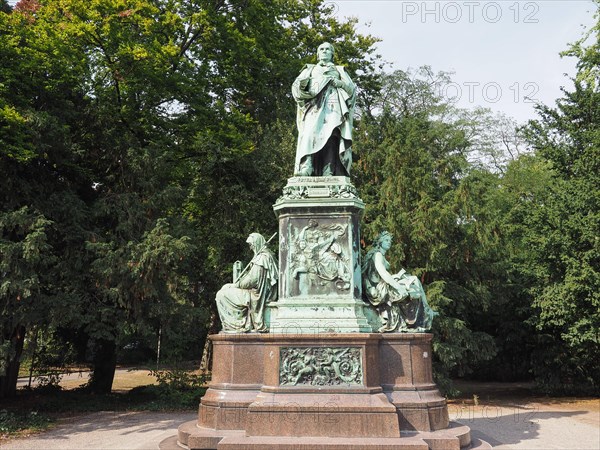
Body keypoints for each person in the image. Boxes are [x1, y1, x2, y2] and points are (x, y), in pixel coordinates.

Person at [292, 42, 356, 177]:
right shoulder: (309, 69)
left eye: (328, 49)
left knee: (331, 137)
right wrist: (302, 87)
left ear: (332, 53)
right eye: (322, 49)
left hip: (333, 107)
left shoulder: (339, 70)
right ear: (317, 54)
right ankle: (307, 166)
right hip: (314, 106)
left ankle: (329, 170)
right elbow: (296, 88)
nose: (324, 51)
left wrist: (341, 84)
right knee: (309, 134)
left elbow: (351, 91)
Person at [362, 232, 437, 332]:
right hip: (378, 289)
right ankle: (425, 313)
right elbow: (383, 274)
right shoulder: (378, 254)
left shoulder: (378, 254)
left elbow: (380, 275)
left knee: (413, 279)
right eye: (386, 240)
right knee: (412, 283)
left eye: (390, 241)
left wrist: (395, 277)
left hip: (379, 285)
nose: (389, 243)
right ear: (380, 242)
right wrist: (398, 286)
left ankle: (426, 311)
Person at [216, 233, 278, 332]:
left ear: (257, 244)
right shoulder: (264, 257)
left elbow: (252, 281)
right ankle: (237, 323)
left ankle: (236, 325)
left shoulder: (262, 259)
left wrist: (237, 284)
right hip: (255, 292)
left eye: (251, 245)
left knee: (221, 294)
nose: (250, 248)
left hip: (256, 294)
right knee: (225, 287)